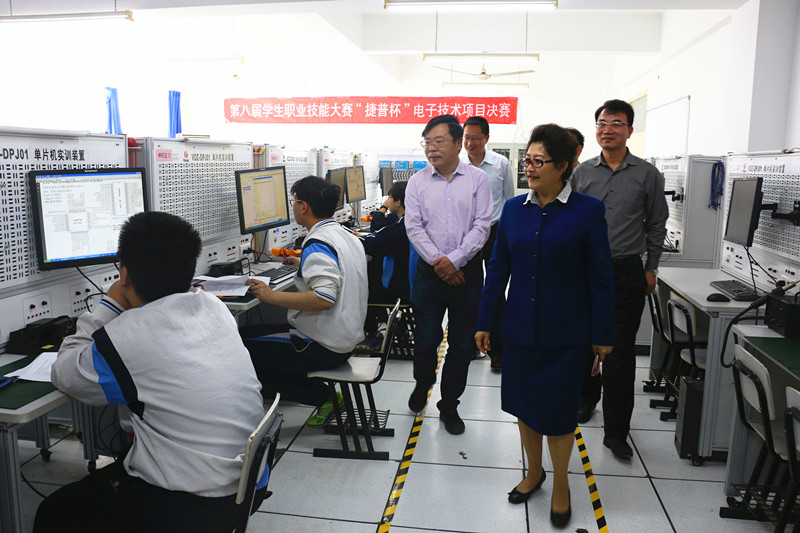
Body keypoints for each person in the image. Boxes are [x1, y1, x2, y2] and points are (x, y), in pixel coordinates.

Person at [34, 212, 265, 533]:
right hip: (246, 485)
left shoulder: (129, 335)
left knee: (54, 513)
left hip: (191, 503)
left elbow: (65, 374)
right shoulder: (214, 307)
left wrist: (108, 306)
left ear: (124, 273)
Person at [475, 123, 614, 528]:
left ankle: (561, 483)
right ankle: (534, 472)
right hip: (519, 329)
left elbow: (600, 278)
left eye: (539, 161)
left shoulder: (588, 211)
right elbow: (497, 270)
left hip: (566, 332)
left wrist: (603, 334)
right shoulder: (513, 210)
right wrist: (486, 320)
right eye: (528, 160)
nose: (530, 168)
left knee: (558, 412)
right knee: (524, 406)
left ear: (563, 166)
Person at [572, 99, 669, 459]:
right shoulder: (581, 173)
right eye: (602, 123)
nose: (607, 129)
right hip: (584, 271)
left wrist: (651, 267)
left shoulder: (647, 174)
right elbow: (570, 222)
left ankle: (616, 432)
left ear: (629, 130)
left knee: (620, 353)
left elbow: (656, 224)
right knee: (584, 343)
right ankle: (585, 401)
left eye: (616, 123)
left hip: (626, 271)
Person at [241, 175, 368, 408]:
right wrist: (304, 263)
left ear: (304, 207)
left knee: (238, 345)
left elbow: (323, 298)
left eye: (294, 202)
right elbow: (342, 270)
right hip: (343, 339)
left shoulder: (318, 241)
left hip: (320, 346)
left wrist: (270, 295)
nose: (294, 207)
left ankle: (323, 398)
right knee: (253, 336)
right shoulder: (345, 235)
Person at [405, 114, 492, 435]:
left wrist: (455, 261)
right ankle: (422, 381)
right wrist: (440, 263)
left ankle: (450, 405)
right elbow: (414, 227)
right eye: (427, 142)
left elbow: (482, 225)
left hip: (467, 274)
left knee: (461, 344)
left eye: (438, 141)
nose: (432, 148)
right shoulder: (417, 182)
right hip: (429, 274)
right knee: (426, 339)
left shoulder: (478, 180)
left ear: (458, 144)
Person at [461, 116, 515, 371]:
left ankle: (498, 351)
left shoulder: (500, 164)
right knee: (468, 291)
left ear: (486, 138)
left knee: (494, 291)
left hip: (494, 232)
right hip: (466, 235)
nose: (470, 143)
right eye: (466, 138)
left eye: (475, 138)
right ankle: (470, 345)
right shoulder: (457, 165)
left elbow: (509, 200)